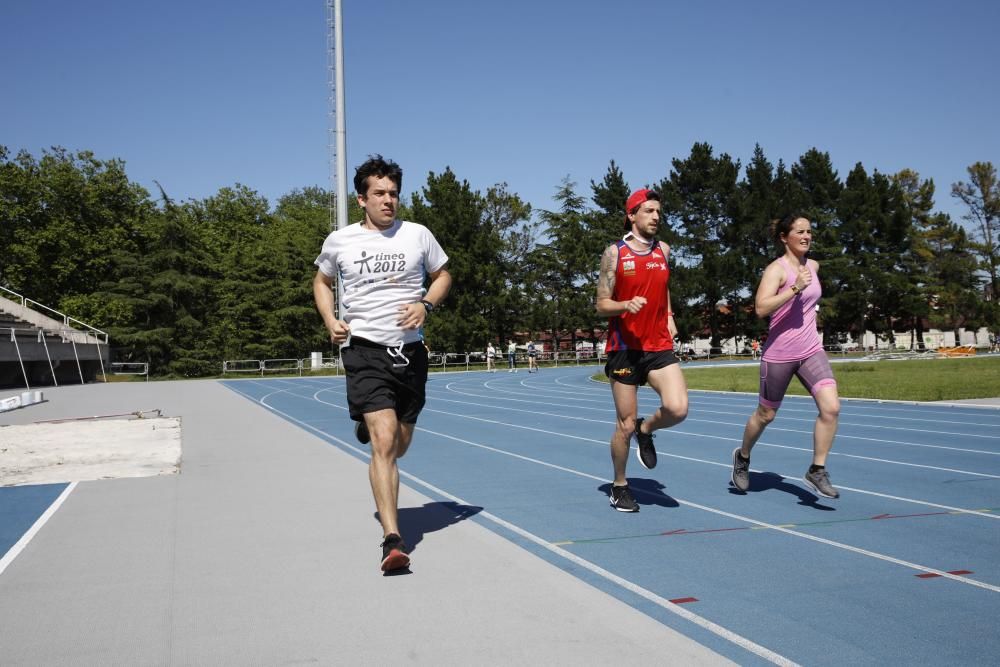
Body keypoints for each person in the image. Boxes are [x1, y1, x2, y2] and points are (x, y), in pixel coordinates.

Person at [313, 154, 452, 572]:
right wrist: (330, 320)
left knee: (401, 444)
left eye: (393, 193)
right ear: (362, 199)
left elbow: (443, 274)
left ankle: (376, 427)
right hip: (365, 349)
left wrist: (426, 304)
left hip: (410, 353)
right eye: (379, 193)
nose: (388, 200)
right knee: (384, 441)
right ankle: (393, 539)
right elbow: (320, 282)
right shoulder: (340, 241)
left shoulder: (418, 235)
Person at [730, 213, 841, 499]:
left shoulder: (813, 266)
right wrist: (794, 288)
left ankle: (817, 469)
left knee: (831, 408)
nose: (806, 236)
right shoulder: (776, 270)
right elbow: (760, 308)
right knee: (766, 415)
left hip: (810, 350)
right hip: (779, 355)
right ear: (784, 237)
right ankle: (743, 457)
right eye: (800, 232)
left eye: (809, 232)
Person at [596, 188, 688, 512]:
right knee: (624, 424)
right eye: (649, 211)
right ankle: (619, 485)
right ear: (632, 215)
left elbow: (662, 288)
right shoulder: (615, 254)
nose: (656, 217)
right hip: (625, 348)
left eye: (658, 212)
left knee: (678, 408)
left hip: (658, 343)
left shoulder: (664, 249)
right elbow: (601, 304)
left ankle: (646, 430)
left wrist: (670, 315)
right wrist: (625, 304)